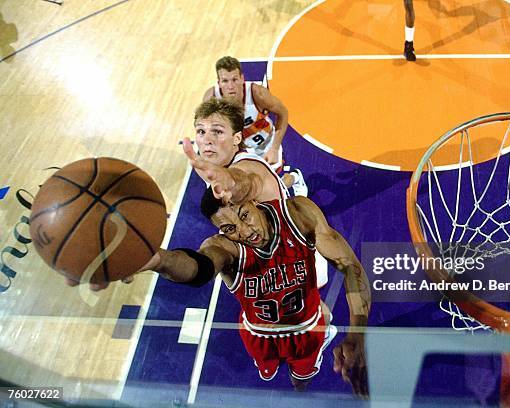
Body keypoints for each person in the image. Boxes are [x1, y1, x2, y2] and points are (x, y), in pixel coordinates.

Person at [140, 189, 371, 395]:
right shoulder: (222, 247)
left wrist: (357, 333)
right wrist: (160, 260)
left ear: (253, 200)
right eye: (229, 228)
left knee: (300, 380)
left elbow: (350, 266)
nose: (244, 231)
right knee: (267, 372)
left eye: (244, 215)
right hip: (259, 334)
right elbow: (199, 268)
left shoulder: (297, 215)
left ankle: (299, 388)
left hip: (306, 328)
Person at [185, 98, 328, 288]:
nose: (207, 140)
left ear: (236, 138)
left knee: (308, 309)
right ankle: (293, 178)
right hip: (264, 237)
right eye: (201, 131)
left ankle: (293, 180)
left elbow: (242, 183)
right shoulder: (206, 165)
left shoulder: (246, 168)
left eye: (217, 131)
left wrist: (230, 184)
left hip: (297, 248)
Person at [202, 56, 307, 196]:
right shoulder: (211, 99)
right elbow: (204, 131)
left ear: (242, 78)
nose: (230, 86)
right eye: (225, 81)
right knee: (235, 191)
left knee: (269, 190)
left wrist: (274, 148)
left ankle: (295, 177)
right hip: (235, 149)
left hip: (263, 147)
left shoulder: (257, 94)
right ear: (219, 82)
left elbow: (283, 113)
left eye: (234, 79)